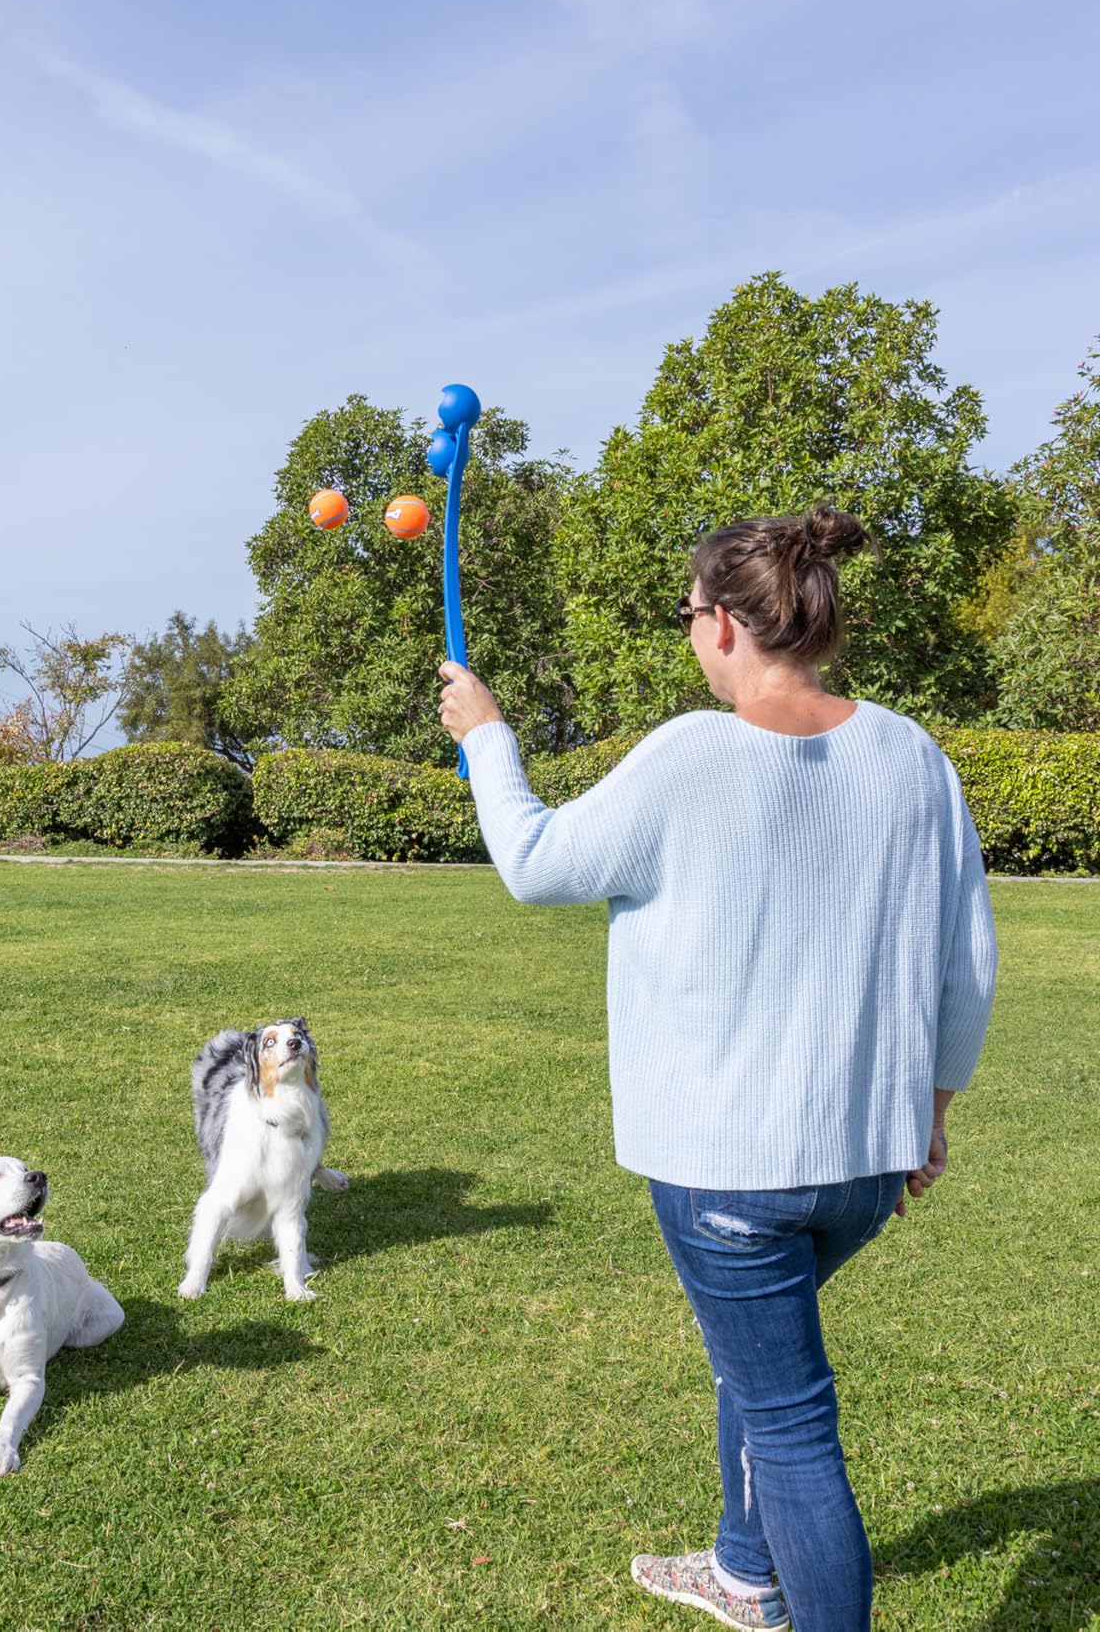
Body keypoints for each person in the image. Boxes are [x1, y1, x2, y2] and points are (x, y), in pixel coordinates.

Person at [436, 506, 996, 1632]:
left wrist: (486, 735)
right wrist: (926, 1116)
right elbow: (965, 964)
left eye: (689, 613)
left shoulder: (693, 753)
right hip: (863, 1168)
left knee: (792, 1424)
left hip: (729, 1175)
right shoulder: (912, 755)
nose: (691, 634)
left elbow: (536, 863)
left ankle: (786, 1594)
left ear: (727, 624)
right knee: (763, 1366)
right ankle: (744, 1571)